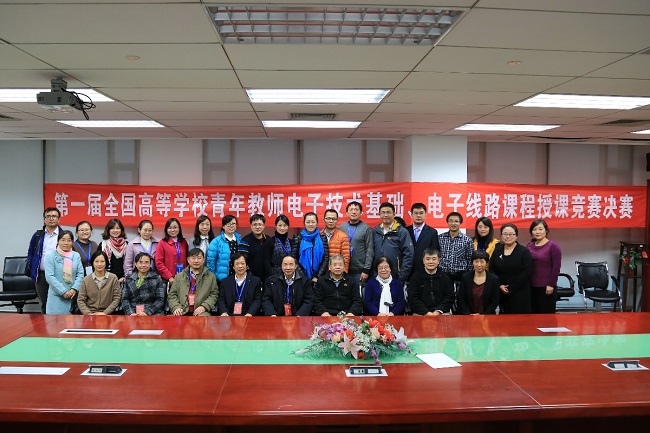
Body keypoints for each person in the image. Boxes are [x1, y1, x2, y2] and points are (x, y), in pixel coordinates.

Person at [490, 223, 533, 314]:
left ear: (516, 236)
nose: (508, 236)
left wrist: (511, 287)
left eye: (511, 234)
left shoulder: (524, 251)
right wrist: (500, 285)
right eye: (505, 234)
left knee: (520, 320)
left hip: (520, 292)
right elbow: (492, 269)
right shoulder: (497, 250)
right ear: (501, 236)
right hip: (501, 291)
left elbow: (526, 272)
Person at [26, 207, 63, 313]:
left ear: (59, 219)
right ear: (44, 219)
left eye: (54, 216)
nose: (51, 218)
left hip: (58, 275)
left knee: (59, 303)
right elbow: (31, 252)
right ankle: (45, 324)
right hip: (41, 275)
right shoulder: (38, 235)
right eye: (48, 216)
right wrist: (31, 265)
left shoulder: (63, 235)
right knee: (44, 304)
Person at [168, 248, 218, 316]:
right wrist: (176, 307)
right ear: (188, 259)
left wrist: (204, 306)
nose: (196, 261)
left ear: (203, 259)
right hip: (182, 310)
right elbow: (172, 295)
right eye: (193, 258)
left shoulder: (211, 277)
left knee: (203, 320)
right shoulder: (179, 276)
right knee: (171, 320)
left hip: (201, 312)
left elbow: (214, 295)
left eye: (199, 258)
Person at [44, 230, 84, 315]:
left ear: (72, 242)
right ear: (58, 241)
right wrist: (63, 291)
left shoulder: (76, 255)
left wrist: (74, 289)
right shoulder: (51, 256)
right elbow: (49, 277)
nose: (66, 243)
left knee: (71, 322)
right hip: (56, 296)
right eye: (63, 240)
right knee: (54, 322)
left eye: (69, 240)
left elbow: (80, 274)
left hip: (73, 296)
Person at [372, 202, 413, 283]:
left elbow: (408, 255)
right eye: (383, 212)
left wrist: (402, 276)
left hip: (396, 276)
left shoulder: (402, 232)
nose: (385, 215)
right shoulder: (375, 231)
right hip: (377, 276)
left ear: (394, 214)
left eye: (388, 212)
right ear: (379, 214)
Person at [526, 219, 562, 314]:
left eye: (540, 229)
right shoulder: (529, 246)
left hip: (546, 287)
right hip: (530, 286)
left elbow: (556, 267)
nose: (537, 232)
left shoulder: (553, 246)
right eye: (534, 229)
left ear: (546, 230)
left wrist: (551, 284)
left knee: (546, 316)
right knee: (532, 316)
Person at [408, 249, 455, 315]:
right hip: (420, 313)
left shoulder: (445, 277)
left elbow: (449, 297)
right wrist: (426, 312)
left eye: (434, 259)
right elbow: (413, 298)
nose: (431, 262)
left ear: (439, 260)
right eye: (428, 259)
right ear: (423, 260)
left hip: (442, 312)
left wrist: (438, 311)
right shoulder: (415, 277)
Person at [338, 201, 374, 286]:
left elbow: (370, 250)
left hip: (359, 271)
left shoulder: (366, 229)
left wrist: (366, 270)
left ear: (361, 212)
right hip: (343, 269)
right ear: (347, 213)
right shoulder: (341, 227)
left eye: (356, 210)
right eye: (351, 210)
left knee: (358, 293)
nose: (354, 212)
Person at [77, 250, 121, 315]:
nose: (99, 264)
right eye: (96, 261)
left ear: (106, 263)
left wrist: (105, 313)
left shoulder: (113, 278)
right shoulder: (86, 279)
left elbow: (117, 298)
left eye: (102, 261)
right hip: (90, 314)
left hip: (108, 314)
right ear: (93, 263)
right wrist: (88, 314)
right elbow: (80, 300)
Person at [456, 250, 501, 315]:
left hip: (487, 316)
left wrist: (483, 315)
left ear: (486, 263)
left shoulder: (494, 279)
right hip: (468, 316)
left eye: (482, 262)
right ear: (472, 263)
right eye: (476, 261)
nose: (479, 265)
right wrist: (468, 314)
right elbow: (461, 298)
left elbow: (494, 302)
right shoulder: (466, 277)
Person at [292, 212, 329, 283]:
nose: (310, 224)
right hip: (301, 278)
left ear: (317, 223)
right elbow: (294, 259)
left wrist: (317, 276)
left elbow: (326, 259)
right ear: (304, 223)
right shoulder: (298, 238)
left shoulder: (322, 238)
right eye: (308, 222)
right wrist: (303, 277)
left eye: (313, 222)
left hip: (319, 278)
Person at [438, 211, 473, 284]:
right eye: (451, 221)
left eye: (456, 221)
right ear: (447, 222)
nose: (453, 223)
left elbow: (470, 260)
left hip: (460, 276)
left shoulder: (467, 240)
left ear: (460, 223)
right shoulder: (440, 238)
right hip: (443, 275)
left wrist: (467, 276)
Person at [207, 215, 244, 283]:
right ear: (223, 226)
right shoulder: (216, 241)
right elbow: (211, 262)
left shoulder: (240, 240)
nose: (231, 226)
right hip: (221, 279)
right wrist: (214, 278)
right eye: (228, 224)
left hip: (238, 277)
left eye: (233, 224)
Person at [407, 202, 440, 277]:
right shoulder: (406, 231)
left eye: (421, 213)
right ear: (411, 215)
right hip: (408, 269)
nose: (418, 215)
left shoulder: (432, 232)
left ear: (425, 215)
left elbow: (434, 251)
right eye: (416, 213)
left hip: (425, 270)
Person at [155, 218, 188, 285]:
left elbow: (188, 259)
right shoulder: (162, 243)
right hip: (168, 280)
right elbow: (159, 263)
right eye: (170, 228)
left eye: (175, 227)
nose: (173, 230)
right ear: (166, 229)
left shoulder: (184, 242)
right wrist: (169, 276)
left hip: (183, 278)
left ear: (179, 229)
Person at [241, 213, 273, 283]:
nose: (257, 227)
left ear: (264, 226)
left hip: (268, 278)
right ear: (251, 226)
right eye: (255, 224)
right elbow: (242, 261)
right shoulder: (245, 241)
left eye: (260, 224)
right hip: (251, 279)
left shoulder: (270, 240)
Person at [321, 209, 350, 274]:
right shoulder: (319, 235)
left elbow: (346, 257)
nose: (331, 221)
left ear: (337, 220)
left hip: (336, 272)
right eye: (328, 218)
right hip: (320, 272)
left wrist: (343, 273)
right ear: (324, 220)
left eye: (333, 219)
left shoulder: (343, 236)